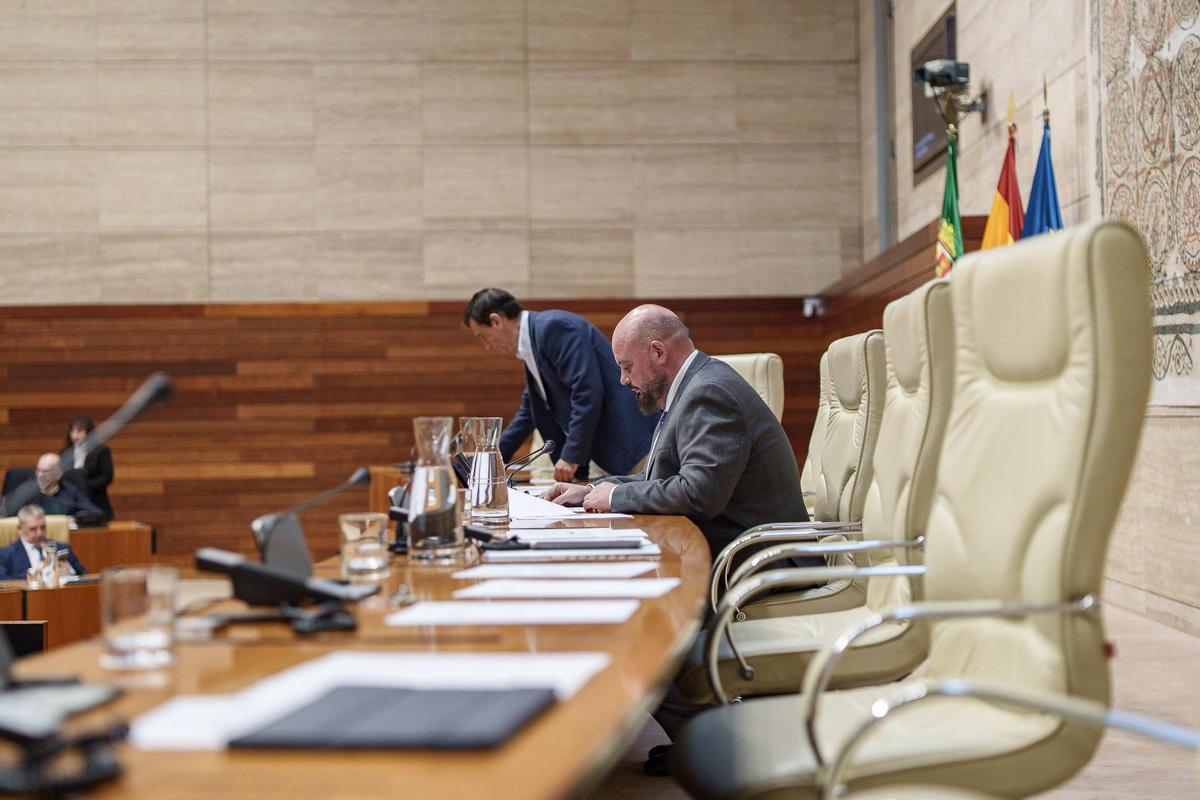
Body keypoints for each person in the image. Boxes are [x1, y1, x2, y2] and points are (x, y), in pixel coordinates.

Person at [546, 304, 813, 559]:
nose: (623, 379)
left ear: (658, 353)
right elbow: (666, 477)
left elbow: (697, 494)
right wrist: (594, 491)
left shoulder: (709, 393)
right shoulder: (691, 389)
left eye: (627, 366)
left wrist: (615, 497)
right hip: (724, 548)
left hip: (757, 559)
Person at [462, 288, 659, 482]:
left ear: (496, 321)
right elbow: (529, 413)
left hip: (635, 442)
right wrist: (491, 459)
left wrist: (571, 456)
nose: (487, 346)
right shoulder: (534, 342)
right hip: (618, 447)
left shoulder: (553, 328)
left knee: (648, 510)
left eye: (483, 336)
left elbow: (587, 392)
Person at [2, 454, 102, 519]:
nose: (40, 475)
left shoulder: (69, 490)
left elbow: (96, 512)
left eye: (45, 471)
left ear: (58, 474)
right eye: (38, 470)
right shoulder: (26, 491)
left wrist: (75, 519)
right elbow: (4, 513)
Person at [0, 505, 87, 580]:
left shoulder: (62, 548)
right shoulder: (6, 555)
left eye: (43, 527)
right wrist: (35, 573)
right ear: (20, 528)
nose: (39, 533)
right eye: (33, 529)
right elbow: (4, 582)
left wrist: (70, 570)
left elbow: (84, 575)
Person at [59, 415, 115, 522]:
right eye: (72, 431)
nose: (75, 435)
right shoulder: (65, 453)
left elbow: (107, 477)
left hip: (96, 500)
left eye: (79, 431)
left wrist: (85, 486)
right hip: (72, 502)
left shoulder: (101, 451)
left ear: (89, 433)